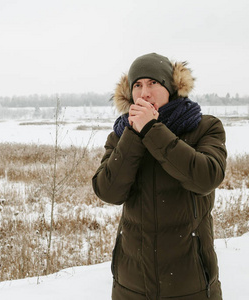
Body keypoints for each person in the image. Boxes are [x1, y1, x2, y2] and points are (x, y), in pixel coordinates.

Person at [92, 53, 227, 300]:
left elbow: (206, 177)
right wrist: (134, 135)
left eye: (153, 83)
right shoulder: (120, 136)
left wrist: (153, 131)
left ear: (171, 88)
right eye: (138, 85)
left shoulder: (204, 127)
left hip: (191, 284)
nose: (145, 93)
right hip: (131, 287)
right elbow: (108, 191)